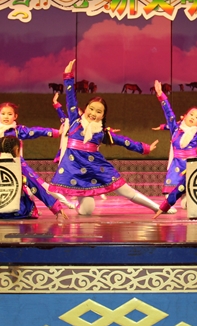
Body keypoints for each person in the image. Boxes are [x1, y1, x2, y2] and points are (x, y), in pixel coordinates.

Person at [49, 60, 168, 216]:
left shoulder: (101, 133)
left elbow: (124, 141)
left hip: (95, 167)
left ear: (103, 116)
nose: (93, 113)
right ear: (85, 109)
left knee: (124, 190)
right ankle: (79, 202)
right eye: (91, 109)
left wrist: (144, 148)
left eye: (98, 111)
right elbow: (71, 98)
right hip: (74, 167)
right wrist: (68, 77)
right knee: (85, 211)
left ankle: (158, 208)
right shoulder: (74, 122)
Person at [0, 88, 73, 215]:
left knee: (36, 185)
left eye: (10, 114)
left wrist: (55, 132)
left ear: (15, 116)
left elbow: (35, 131)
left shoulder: (17, 130)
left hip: (16, 163)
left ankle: (57, 207)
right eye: (3, 113)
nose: (6, 116)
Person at [154, 79, 197, 200]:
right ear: (184, 116)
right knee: (170, 190)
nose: (193, 117)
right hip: (177, 162)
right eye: (191, 114)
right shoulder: (176, 128)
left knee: (196, 188)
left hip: (193, 163)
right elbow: (169, 113)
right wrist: (161, 95)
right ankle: (168, 205)